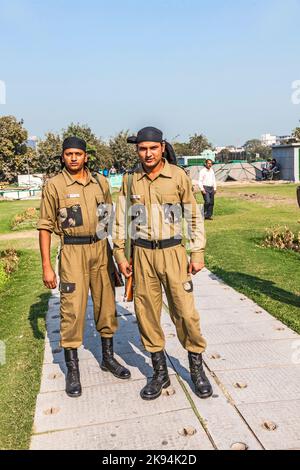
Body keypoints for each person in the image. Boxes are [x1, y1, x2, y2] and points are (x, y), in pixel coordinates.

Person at [113, 126, 213, 401]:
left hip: (173, 253)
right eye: (142, 149)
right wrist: (120, 255)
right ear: (137, 150)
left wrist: (197, 251)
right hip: (142, 256)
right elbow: (121, 219)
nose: (147, 153)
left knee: (186, 313)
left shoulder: (177, 176)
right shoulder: (131, 180)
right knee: (146, 315)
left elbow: (193, 215)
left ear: (162, 148)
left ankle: (196, 369)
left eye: (152, 148)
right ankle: (159, 372)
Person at [37, 136, 130, 398]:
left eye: (78, 153)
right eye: (69, 154)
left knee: (106, 306)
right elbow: (45, 226)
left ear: (86, 156)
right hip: (73, 252)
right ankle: (73, 370)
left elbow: (110, 219)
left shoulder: (100, 182)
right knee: (72, 310)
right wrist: (47, 266)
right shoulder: (55, 185)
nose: (74, 158)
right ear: (63, 157)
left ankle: (108, 358)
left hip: (101, 249)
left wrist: (119, 255)